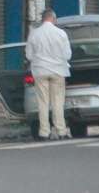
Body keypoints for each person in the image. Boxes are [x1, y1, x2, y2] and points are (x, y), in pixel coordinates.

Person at [25, 8, 72, 141]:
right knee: (57, 102)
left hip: (40, 71)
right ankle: (61, 131)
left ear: (43, 19)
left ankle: (44, 133)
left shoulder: (34, 34)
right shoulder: (61, 33)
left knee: (43, 103)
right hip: (58, 71)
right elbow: (68, 55)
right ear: (53, 18)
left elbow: (29, 55)